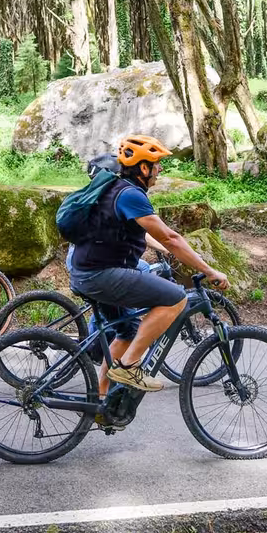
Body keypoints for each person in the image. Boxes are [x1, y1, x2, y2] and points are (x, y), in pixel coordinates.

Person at [67, 134, 228, 393]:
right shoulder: (130, 194)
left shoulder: (115, 189)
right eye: (156, 164)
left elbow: (147, 235)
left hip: (88, 272)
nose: (160, 169)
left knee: (127, 331)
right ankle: (130, 366)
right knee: (176, 297)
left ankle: (100, 400)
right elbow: (172, 238)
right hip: (102, 275)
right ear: (143, 167)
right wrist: (208, 270)